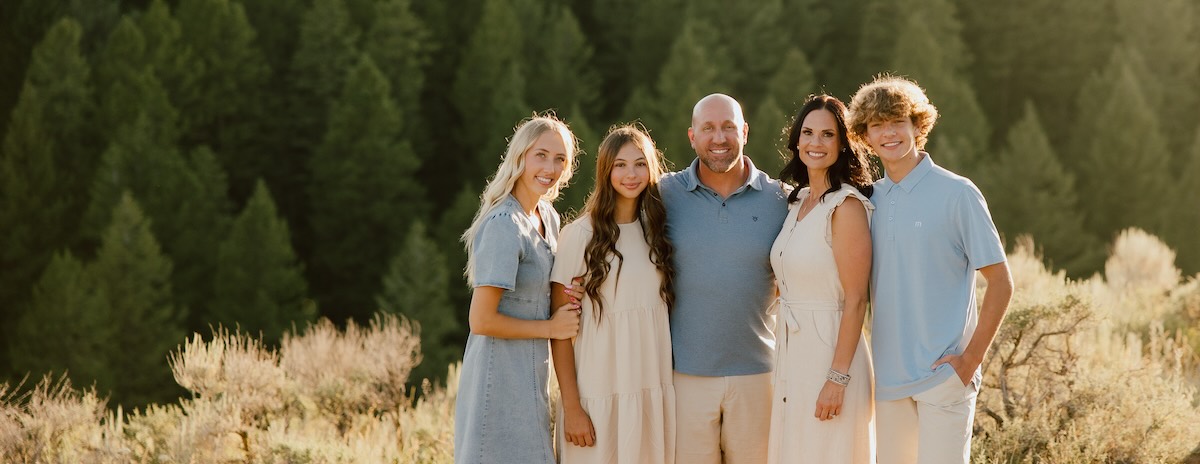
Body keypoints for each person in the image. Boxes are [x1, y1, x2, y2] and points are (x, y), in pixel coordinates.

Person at [846, 75, 1014, 464]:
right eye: (877, 125)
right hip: (887, 383)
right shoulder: (867, 202)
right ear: (864, 136)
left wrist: (969, 362)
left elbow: (1002, 283)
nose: (888, 134)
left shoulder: (958, 193)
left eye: (897, 122)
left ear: (918, 126)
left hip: (944, 380)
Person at [659, 93, 790, 463]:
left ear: (744, 132)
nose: (719, 138)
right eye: (709, 128)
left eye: (729, 127)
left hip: (759, 376)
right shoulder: (662, 194)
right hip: (684, 376)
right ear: (692, 136)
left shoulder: (780, 199)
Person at [455, 115, 584, 464]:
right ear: (520, 156)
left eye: (560, 159)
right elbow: (480, 320)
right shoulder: (504, 224)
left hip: (531, 378)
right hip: (497, 380)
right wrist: (550, 328)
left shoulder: (549, 217)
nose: (550, 167)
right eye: (541, 155)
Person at [550, 124, 677, 463]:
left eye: (640, 163)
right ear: (605, 171)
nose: (631, 174)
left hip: (650, 384)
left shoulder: (659, 232)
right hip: (598, 390)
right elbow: (559, 334)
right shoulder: (579, 235)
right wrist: (573, 407)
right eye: (620, 165)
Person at [767, 94, 876, 463]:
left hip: (831, 352)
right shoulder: (796, 203)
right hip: (791, 355)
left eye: (828, 135)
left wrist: (837, 379)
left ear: (843, 144)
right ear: (797, 140)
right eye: (809, 132)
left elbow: (857, 299)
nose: (816, 143)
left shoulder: (846, 207)